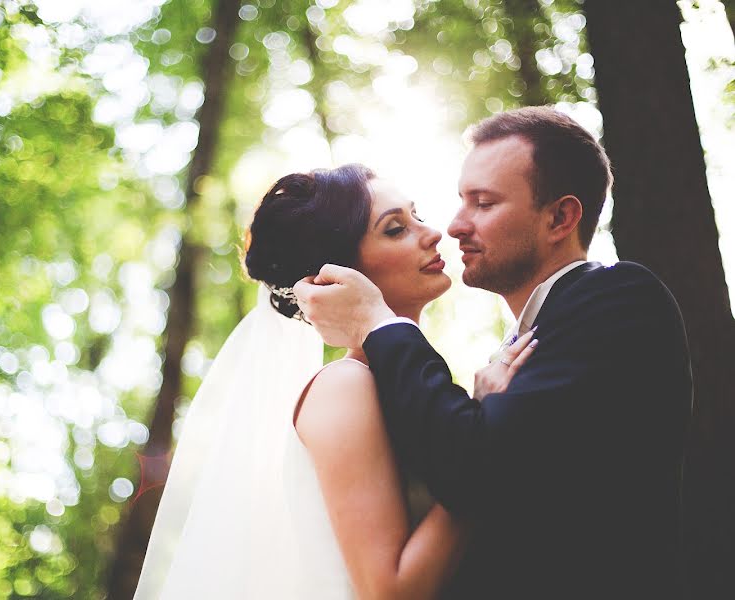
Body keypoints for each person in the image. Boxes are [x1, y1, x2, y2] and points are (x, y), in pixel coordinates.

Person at [294, 107, 693, 599]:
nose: (453, 226)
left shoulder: (619, 299)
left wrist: (378, 322)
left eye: (482, 203)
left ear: (560, 217)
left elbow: (476, 472)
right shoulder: (358, 385)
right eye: (462, 201)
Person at [134, 164, 536, 599]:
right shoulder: (344, 386)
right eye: (396, 228)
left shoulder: (400, 388)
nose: (432, 233)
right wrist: (489, 433)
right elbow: (390, 590)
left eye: (416, 215)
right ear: (337, 275)